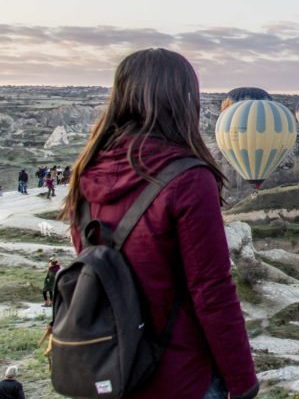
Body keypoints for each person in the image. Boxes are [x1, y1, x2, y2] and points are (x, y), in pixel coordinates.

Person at [59, 48, 258, 399]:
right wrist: (243, 382)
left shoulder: (87, 171)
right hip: (180, 375)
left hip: (112, 367)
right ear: (185, 102)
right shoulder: (188, 178)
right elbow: (211, 290)